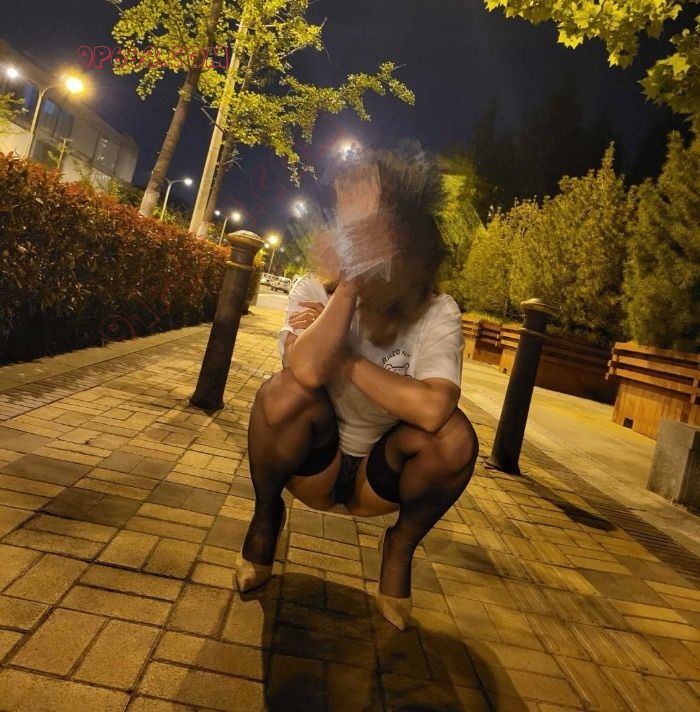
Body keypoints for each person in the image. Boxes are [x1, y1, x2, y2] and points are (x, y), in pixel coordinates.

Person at [236, 147, 479, 630]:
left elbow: (434, 408)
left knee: (454, 440)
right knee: (280, 394)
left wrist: (345, 361)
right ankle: (266, 517)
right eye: (353, 228)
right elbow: (306, 373)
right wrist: (348, 285)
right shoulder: (315, 289)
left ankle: (399, 548)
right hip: (316, 462)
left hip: (379, 476)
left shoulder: (437, 310)